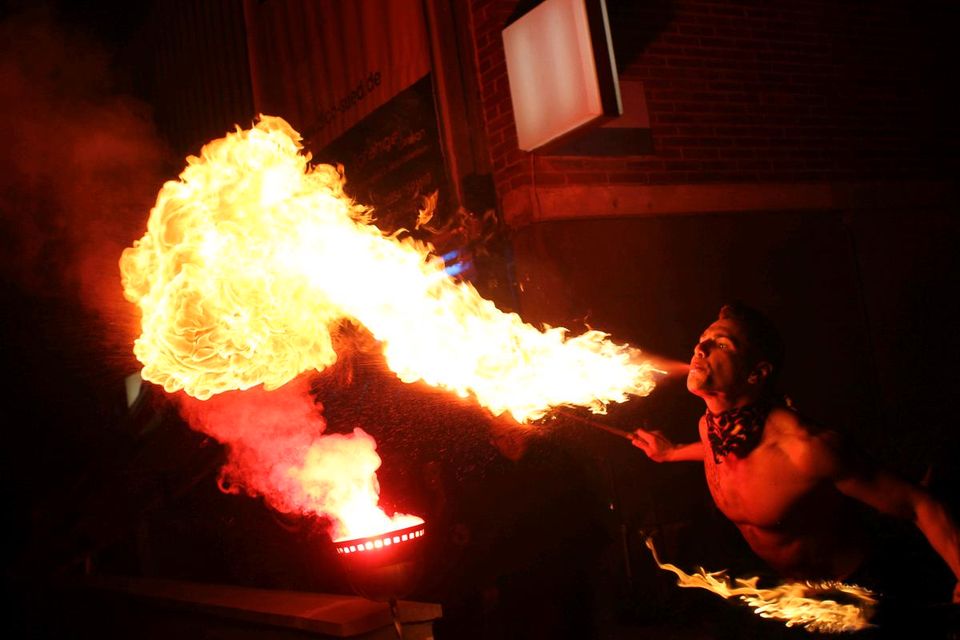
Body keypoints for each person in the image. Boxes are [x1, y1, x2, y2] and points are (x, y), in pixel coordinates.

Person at [631, 302, 960, 608]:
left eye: (721, 344)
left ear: (756, 373)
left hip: (855, 594)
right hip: (789, 595)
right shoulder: (710, 426)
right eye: (703, 339)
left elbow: (920, 505)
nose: (699, 349)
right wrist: (672, 452)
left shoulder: (804, 448)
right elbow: (727, 452)